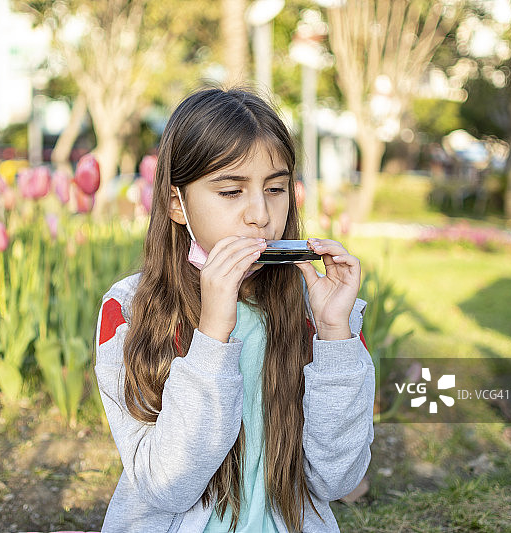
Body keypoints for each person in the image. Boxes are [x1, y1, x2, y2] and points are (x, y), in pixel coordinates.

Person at [94, 87, 375, 533]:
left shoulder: (314, 311)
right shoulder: (130, 313)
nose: (260, 215)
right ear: (175, 204)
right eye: (230, 191)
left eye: (276, 188)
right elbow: (168, 485)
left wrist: (333, 333)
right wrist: (211, 335)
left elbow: (336, 479)